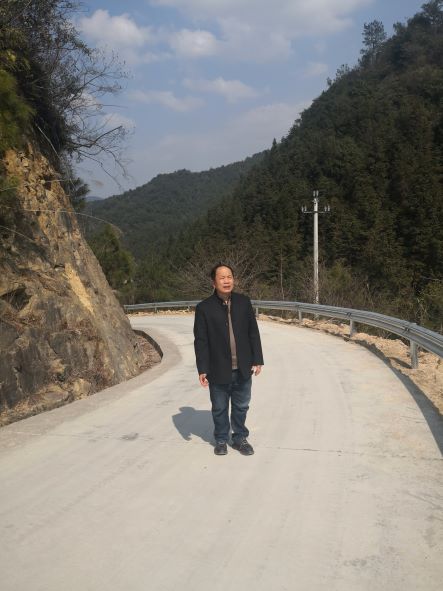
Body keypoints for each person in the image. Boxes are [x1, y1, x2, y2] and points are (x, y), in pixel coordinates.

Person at [193, 263, 264, 456]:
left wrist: (257, 358)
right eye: (222, 277)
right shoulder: (204, 308)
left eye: (229, 277)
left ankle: (240, 438)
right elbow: (201, 341)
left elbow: (253, 332)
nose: (226, 281)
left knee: (241, 406)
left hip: (243, 368)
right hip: (217, 368)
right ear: (214, 282)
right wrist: (202, 368)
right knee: (219, 408)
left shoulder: (243, 302)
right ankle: (221, 440)